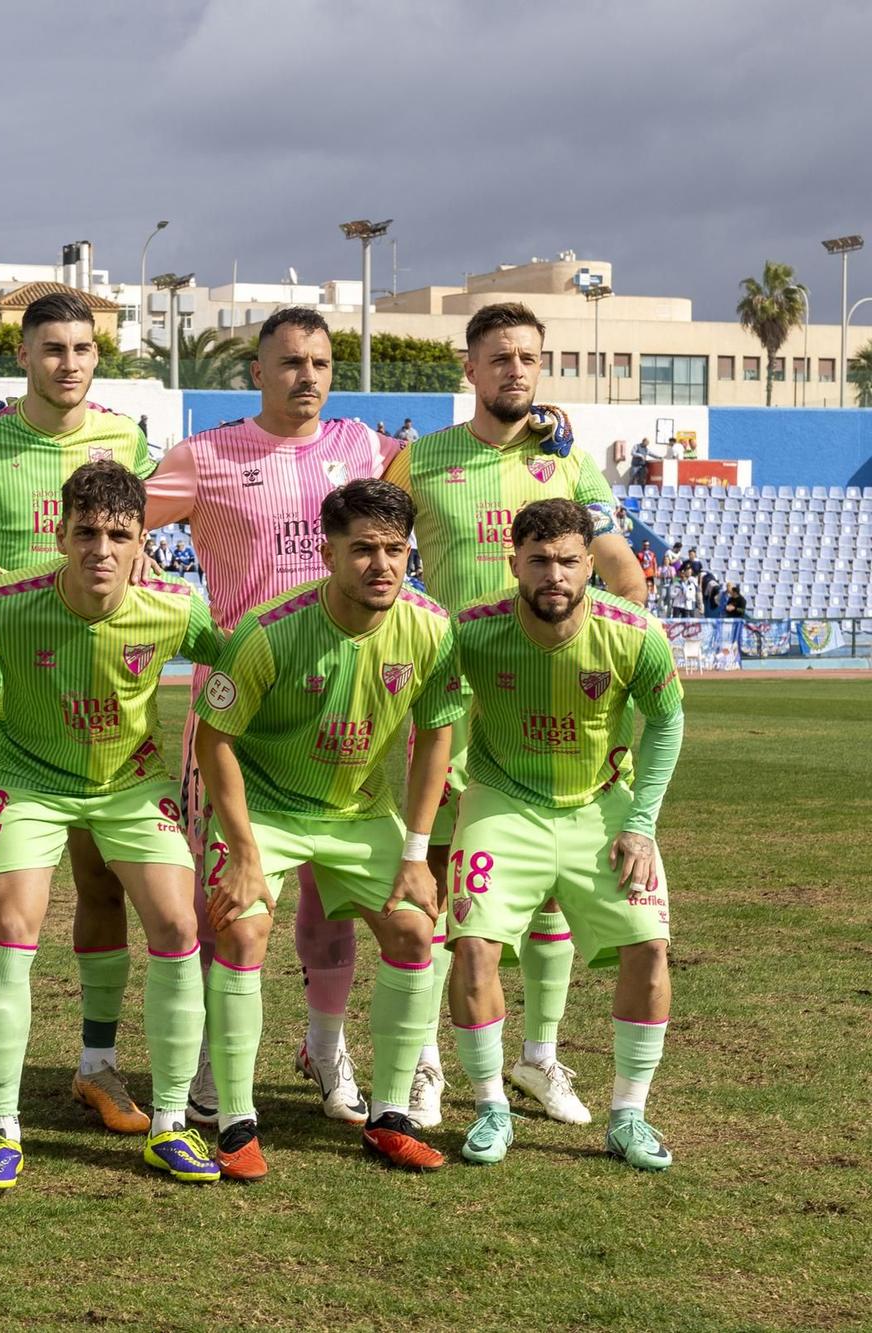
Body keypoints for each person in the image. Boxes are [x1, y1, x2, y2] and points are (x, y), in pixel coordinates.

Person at [382, 302, 648, 1129]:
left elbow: (623, 574)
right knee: (440, 888)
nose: (516, 370)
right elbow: (371, 552)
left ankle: (537, 1058)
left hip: (549, 712)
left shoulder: (568, 465)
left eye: (529, 357)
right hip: (456, 704)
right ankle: (422, 1059)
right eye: (498, 357)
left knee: (554, 899)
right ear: (469, 368)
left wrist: (592, 652)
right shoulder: (421, 461)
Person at [144, 305, 397, 1130]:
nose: (308, 376)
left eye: (321, 362)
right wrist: (139, 546)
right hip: (236, 714)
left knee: (330, 903)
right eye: (290, 362)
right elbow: (112, 515)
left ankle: (324, 1047)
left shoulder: (363, 448)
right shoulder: (209, 456)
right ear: (256, 372)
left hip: (340, 707)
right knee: (230, 898)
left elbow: (449, 482)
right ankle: (223, 1064)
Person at [0, 461, 221, 1190]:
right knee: (12, 920)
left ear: (143, 545)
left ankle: (170, 1124)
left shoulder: (174, 606)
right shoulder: (6, 603)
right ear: (61, 532)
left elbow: (235, 671)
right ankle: (2, 1127)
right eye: (88, 532)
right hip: (29, 779)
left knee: (175, 922)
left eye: (119, 535)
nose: (101, 548)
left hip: (130, 782)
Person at [0, 288, 160, 1143]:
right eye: (52, 347)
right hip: (0, 689)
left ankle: (97, 1062)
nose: (69, 362)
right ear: (20, 356)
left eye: (83, 349)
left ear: (99, 358)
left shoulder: (125, 440)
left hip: (100, 693)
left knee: (102, 879)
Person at [196, 478, 460, 1177]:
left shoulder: (432, 628)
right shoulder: (270, 629)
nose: (382, 565)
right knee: (243, 924)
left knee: (414, 926)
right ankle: (233, 1119)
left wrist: (415, 852)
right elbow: (212, 738)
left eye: (396, 550)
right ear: (328, 553)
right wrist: (246, 852)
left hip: (359, 812)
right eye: (364, 549)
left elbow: (436, 736)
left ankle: (392, 1115)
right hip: (266, 809)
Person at [445, 498, 684, 1172]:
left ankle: (628, 1116)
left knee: (651, 949)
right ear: (513, 560)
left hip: (600, 806)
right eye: (540, 559)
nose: (555, 573)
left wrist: (640, 825)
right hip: (501, 802)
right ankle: (493, 1107)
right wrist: (442, 776)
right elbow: (431, 706)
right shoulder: (471, 631)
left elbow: (665, 722)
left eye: (569, 561)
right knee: (472, 950)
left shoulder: (633, 633)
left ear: (591, 564)